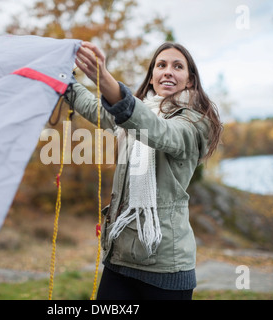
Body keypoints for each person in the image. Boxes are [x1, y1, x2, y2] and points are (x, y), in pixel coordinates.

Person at [64, 41, 222, 300]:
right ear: (151, 78)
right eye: (161, 65)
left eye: (177, 66)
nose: (168, 71)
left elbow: (159, 131)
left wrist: (105, 79)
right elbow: (96, 109)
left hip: (165, 269)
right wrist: (65, 83)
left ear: (190, 80)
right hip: (120, 258)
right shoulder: (135, 115)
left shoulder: (194, 123)